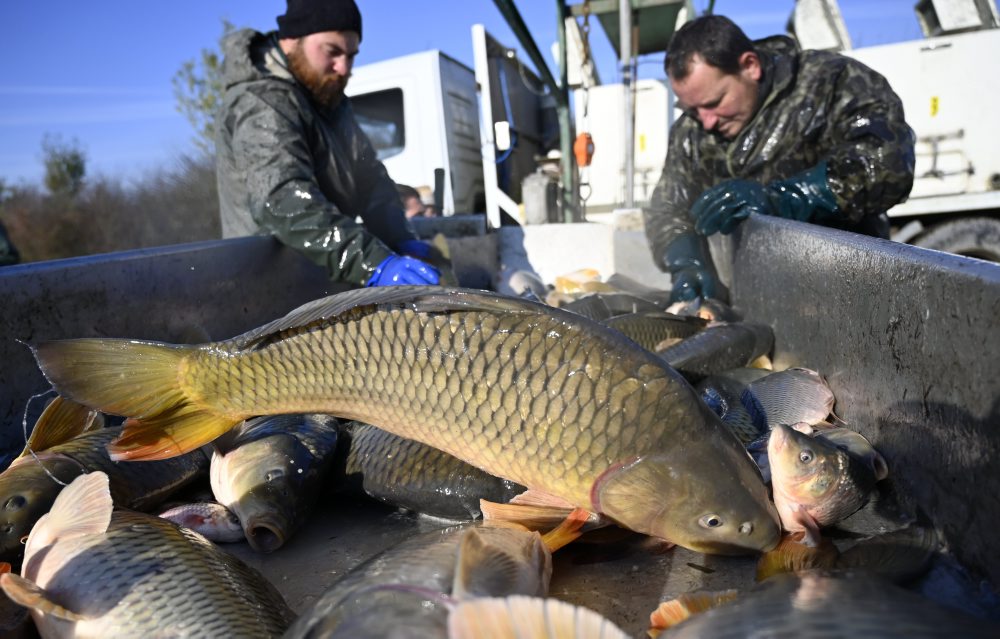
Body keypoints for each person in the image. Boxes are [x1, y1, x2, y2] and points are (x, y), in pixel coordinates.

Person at [644, 15, 915, 303]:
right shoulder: (691, 130)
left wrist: (785, 198)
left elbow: (887, 159)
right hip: (749, 301)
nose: (706, 121)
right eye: (693, 109)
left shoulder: (830, 82)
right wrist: (686, 262)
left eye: (714, 103)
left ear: (750, 66)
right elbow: (668, 207)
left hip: (850, 292)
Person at [215, 0, 441, 287]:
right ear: (290, 40)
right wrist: (373, 263)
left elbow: (370, 180)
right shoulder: (263, 103)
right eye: (332, 52)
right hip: (269, 288)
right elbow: (284, 199)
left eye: (351, 55)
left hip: (322, 278)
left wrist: (400, 238)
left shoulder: (329, 100)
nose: (343, 68)